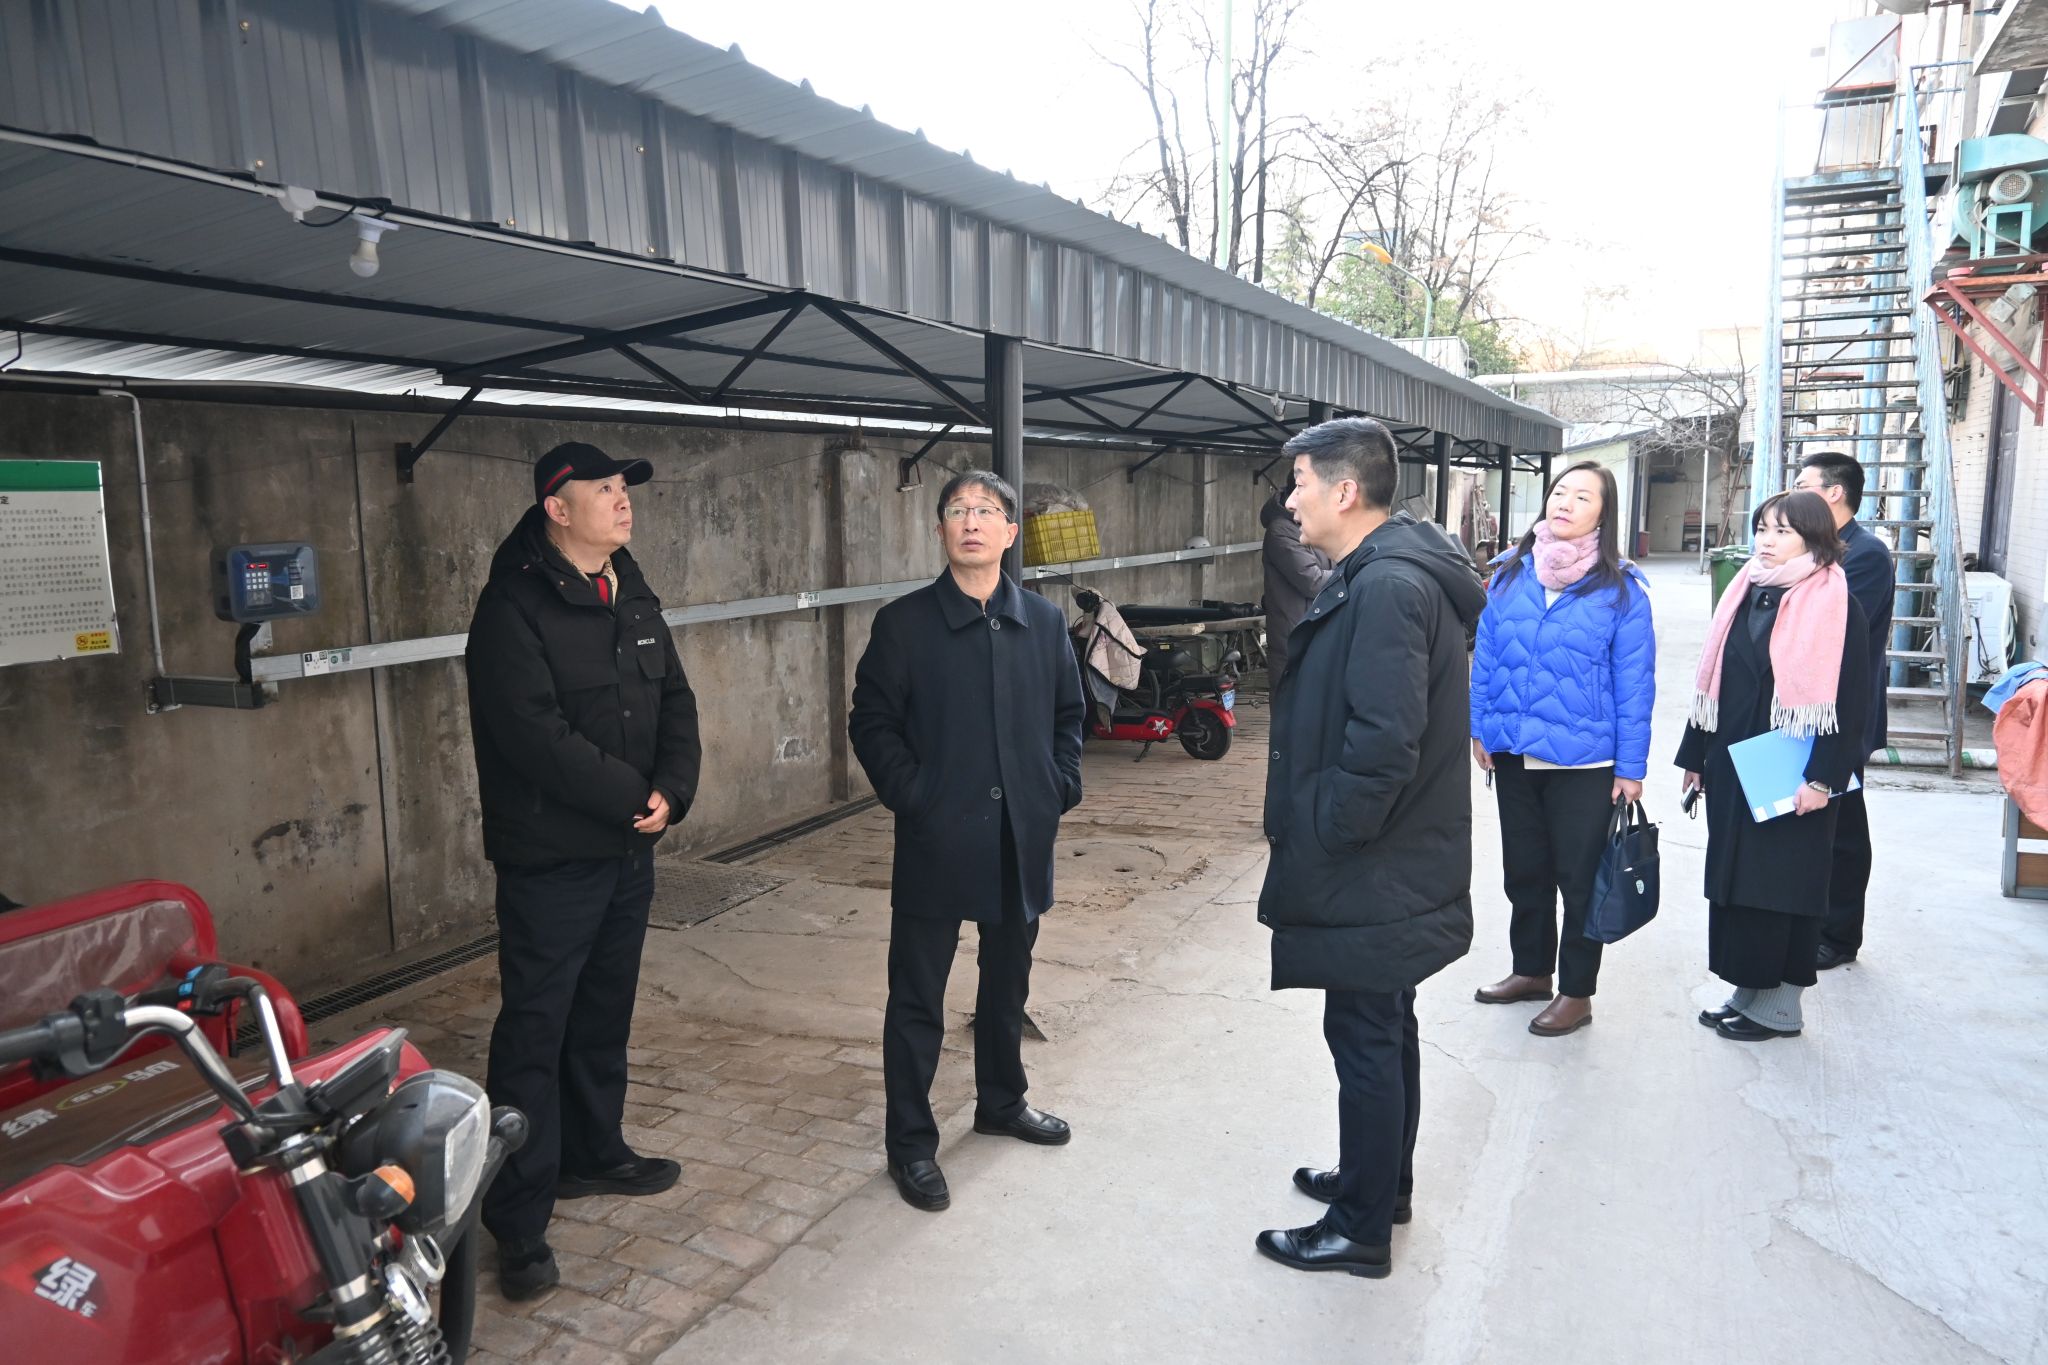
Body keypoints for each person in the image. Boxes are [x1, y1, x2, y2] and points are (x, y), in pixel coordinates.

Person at [464, 441, 703, 1299]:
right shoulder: (513, 605)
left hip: (626, 849)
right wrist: (632, 794)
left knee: (602, 1014)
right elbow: (533, 734)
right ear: (557, 509)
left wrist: (673, 788)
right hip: (552, 859)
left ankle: (594, 1152)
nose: (621, 498)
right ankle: (518, 1220)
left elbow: (675, 698)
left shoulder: (628, 585)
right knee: (536, 1031)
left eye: (624, 486)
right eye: (603, 489)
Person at [1253, 418, 1486, 1279]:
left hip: (1375, 858)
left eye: (1301, 484)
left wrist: (1332, 832)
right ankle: (1380, 1185)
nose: (1292, 501)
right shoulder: (1384, 571)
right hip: (1393, 856)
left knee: (1365, 1034)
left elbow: (1384, 741)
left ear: (1345, 492)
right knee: (1382, 1026)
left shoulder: (1387, 586)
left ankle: (1358, 1228)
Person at [848, 470, 1087, 1213]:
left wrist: (1058, 786)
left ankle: (1001, 1102)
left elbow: (1069, 715)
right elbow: (871, 723)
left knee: (1007, 981)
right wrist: (916, 797)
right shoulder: (905, 624)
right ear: (941, 530)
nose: (972, 521)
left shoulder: (1042, 622)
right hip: (937, 840)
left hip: (1022, 836)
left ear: (1011, 532)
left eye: (986, 511)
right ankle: (911, 1144)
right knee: (917, 996)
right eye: (958, 510)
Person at [1470, 462, 1656, 1037]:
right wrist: (1480, 728)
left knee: (1578, 881)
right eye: (1559, 492)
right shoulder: (1510, 573)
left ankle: (1577, 992)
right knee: (1524, 871)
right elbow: (1486, 656)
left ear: (1604, 514)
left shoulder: (1621, 590)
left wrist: (1631, 766)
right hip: (1514, 751)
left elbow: (1635, 684)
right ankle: (1531, 971)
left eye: (1583, 497)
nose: (1565, 503)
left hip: (1586, 761)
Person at [1677, 491, 1868, 1043]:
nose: (1766, 540)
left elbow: (1852, 703)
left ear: (1814, 538)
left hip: (1795, 770)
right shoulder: (1745, 591)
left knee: (1783, 887)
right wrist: (1696, 756)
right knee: (1736, 883)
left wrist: (1823, 779)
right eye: (1762, 528)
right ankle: (1748, 988)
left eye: (1783, 531)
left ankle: (1781, 1005)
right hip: (1735, 763)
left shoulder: (1837, 604)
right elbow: (1714, 682)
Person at [1792, 451, 1894, 969]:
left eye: (1803, 483)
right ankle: (1809, 922)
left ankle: (1839, 935)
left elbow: (1833, 634)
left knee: (1843, 829)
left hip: (1843, 716)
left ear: (1834, 492)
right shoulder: (1816, 549)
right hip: (1806, 711)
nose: (1794, 491)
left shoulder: (1866, 554)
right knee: (1809, 823)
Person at [1261, 473, 1332, 686]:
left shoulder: (1312, 525)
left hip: (1316, 635)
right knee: (1292, 702)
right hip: (1293, 641)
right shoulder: (1281, 531)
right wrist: (1352, 571)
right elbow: (1313, 581)